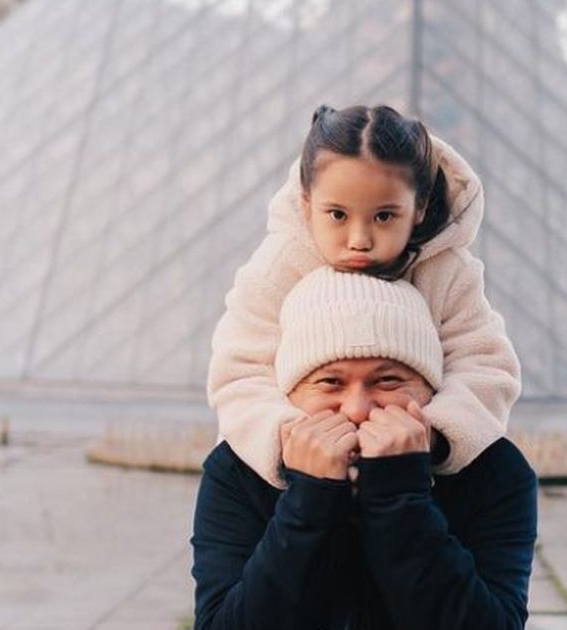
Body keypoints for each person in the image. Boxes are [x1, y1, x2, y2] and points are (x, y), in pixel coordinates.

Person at [192, 267, 538, 629]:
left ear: (430, 389)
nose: (357, 409)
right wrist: (309, 500)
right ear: (290, 393)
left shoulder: (492, 469)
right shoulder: (240, 470)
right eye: (330, 382)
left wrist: (398, 496)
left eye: (388, 380)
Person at [207, 103, 521, 491]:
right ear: (306, 203)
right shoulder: (277, 267)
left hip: (415, 470)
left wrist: (432, 434)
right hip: (292, 478)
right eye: (338, 215)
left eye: (384, 216)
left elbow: (485, 366)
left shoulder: (449, 271)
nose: (359, 240)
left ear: (420, 207)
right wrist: (293, 440)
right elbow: (239, 372)